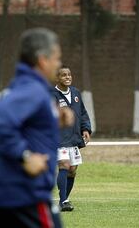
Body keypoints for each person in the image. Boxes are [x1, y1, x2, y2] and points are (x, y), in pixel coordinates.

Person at [0, 28, 73, 228]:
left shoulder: (26, 86)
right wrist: (25, 156)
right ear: (43, 60)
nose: (58, 64)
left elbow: (21, 125)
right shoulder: (32, 90)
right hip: (24, 194)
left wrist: (54, 121)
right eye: (56, 58)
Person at [51, 65, 92, 212]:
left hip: (73, 138)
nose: (67, 77)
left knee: (73, 170)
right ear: (57, 78)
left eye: (69, 74)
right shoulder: (51, 95)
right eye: (63, 75)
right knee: (63, 165)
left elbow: (82, 113)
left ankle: (64, 200)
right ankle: (64, 200)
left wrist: (86, 128)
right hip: (59, 139)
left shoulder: (75, 93)